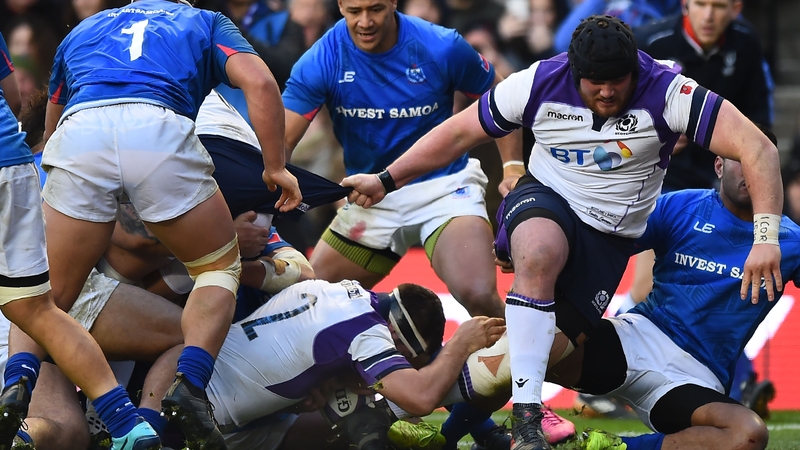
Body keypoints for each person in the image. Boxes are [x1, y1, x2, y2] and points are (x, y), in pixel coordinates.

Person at [340, 14, 783, 450]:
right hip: (546, 199)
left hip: (606, 240)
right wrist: (386, 179)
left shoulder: (669, 92)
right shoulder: (537, 83)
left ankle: (403, 420)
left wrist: (766, 238)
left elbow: (758, 146)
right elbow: (458, 133)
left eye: (618, 81)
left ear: (637, 70)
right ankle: (527, 421)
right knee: (539, 252)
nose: (608, 91)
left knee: (528, 353)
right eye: (595, 82)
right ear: (574, 71)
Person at [36, 0, 302, 448]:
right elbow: (259, 80)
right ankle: (158, 405)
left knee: (45, 306)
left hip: (72, 172)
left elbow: (50, 132)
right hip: (153, 135)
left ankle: (31, 392)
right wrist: (275, 167)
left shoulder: (84, 35)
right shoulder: (200, 23)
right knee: (209, 278)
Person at [545, 141, 797, 450]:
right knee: (525, 345)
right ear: (719, 166)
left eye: (763, 167)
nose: (752, 173)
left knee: (748, 434)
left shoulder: (790, 241)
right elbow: (604, 245)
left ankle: (607, 447)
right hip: (638, 338)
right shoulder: (680, 207)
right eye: (742, 161)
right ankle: (493, 433)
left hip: (696, 377)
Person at [133, 279, 505, 450]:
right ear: (397, 338)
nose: (401, 364)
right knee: (374, 405)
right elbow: (421, 398)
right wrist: (460, 343)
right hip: (188, 425)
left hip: (181, 391)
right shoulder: (366, 332)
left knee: (347, 406)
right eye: (406, 359)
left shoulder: (336, 289)